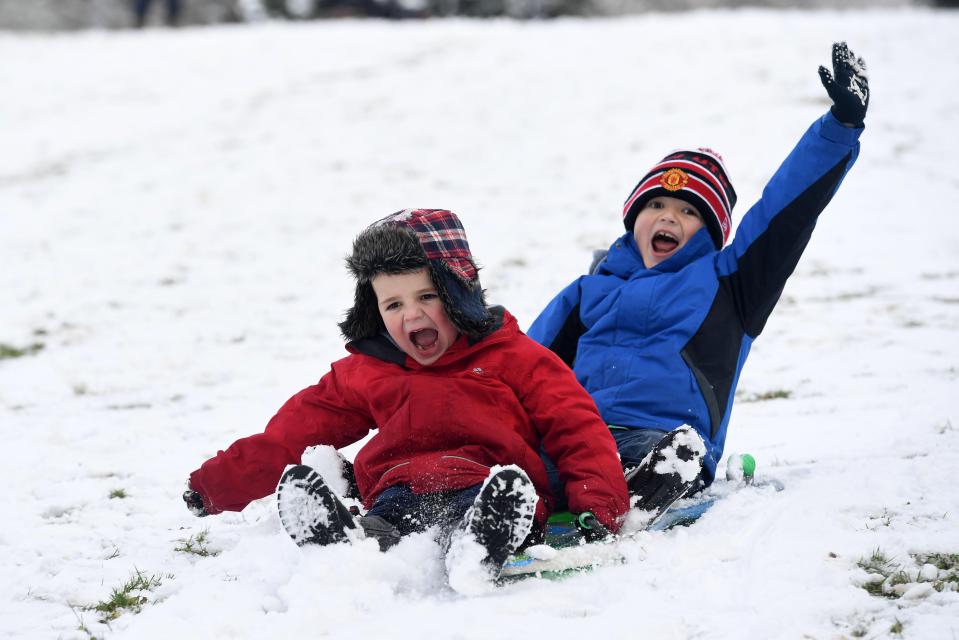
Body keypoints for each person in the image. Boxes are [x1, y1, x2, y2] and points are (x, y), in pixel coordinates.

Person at [183, 209, 629, 587]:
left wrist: (599, 505)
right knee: (385, 518)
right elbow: (295, 431)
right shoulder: (370, 369)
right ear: (373, 311)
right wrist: (217, 485)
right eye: (392, 305)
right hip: (396, 487)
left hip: (485, 483)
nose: (411, 314)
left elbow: (575, 424)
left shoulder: (512, 356)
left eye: (427, 296)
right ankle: (348, 543)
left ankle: (483, 540)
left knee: (486, 505)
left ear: (459, 294)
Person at [528, 42, 869, 524]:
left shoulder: (730, 284)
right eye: (655, 206)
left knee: (662, 455)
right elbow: (522, 366)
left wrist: (838, 131)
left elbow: (784, 211)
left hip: (662, 438)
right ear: (633, 220)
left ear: (709, 233)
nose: (668, 216)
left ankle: (641, 493)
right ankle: (511, 514)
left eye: (689, 211)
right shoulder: (587, 293)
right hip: (578, 434)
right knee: (534, 463)